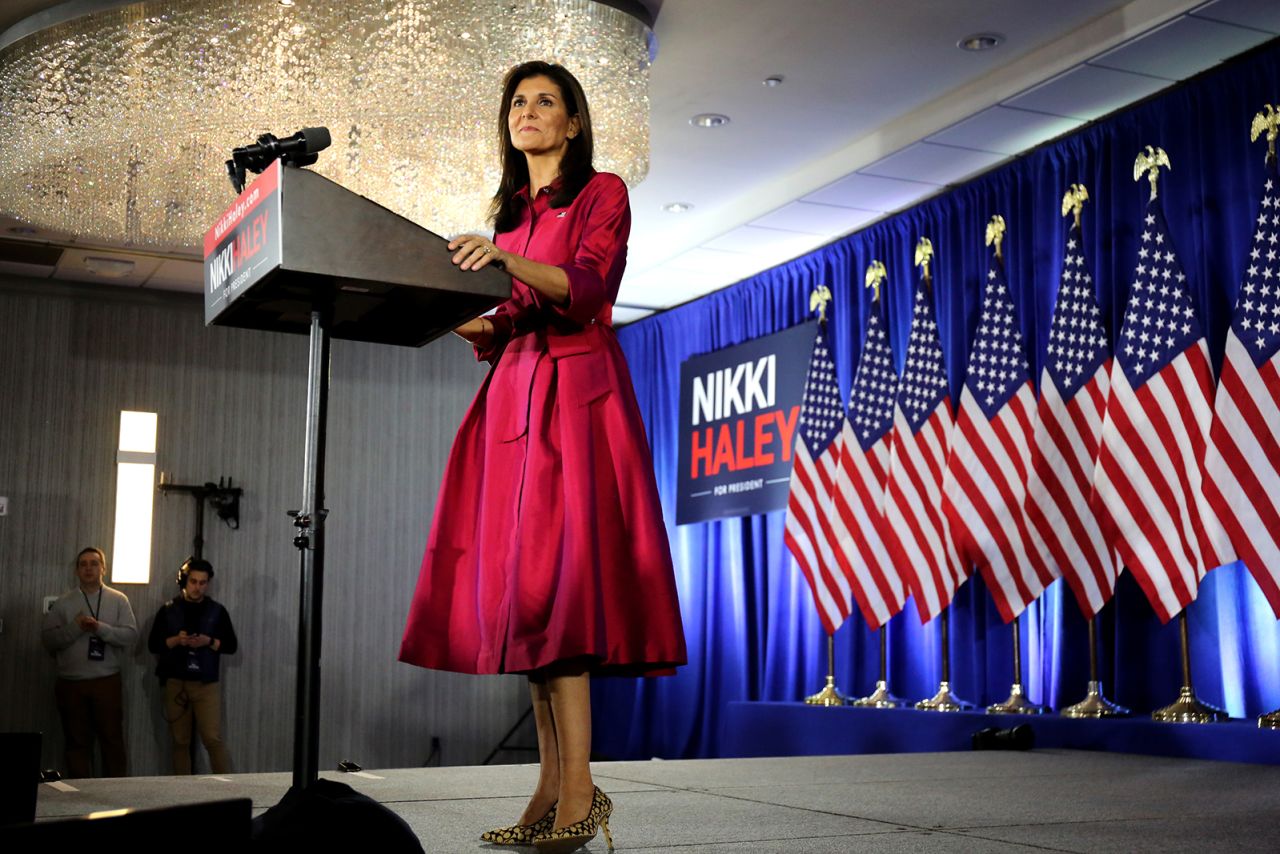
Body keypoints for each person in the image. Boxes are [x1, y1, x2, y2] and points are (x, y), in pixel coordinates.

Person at [399, 61, 686, 852]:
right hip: (516, 405)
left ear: (573, 124)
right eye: (518, 102)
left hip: (577, 404)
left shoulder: (602, 193)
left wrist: (501, 263)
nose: (528, 112)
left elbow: (587, 291)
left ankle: (581, 795)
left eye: (545, 102)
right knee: (529, 601)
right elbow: (508, 325)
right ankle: (552, 785)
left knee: (561, 600)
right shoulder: (511, 214)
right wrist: (437, 308)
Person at [41, 546, 137, 777]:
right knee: (76, 742)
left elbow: (131, 636)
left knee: (111, 740)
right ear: (76, 571)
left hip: (106, 681)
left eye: (94, 563)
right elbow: (49, 640)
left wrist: (100, 629)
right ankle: (80, 794)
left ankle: (116, 795)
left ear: (103, 568)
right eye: (83, 564)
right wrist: (76, 628)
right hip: (71, 683)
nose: (88, 568)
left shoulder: (118, 599)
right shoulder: (63, 602)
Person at [147, 557, 238, 774]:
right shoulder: (168, 610)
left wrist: (208, 641)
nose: (197, 587)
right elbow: (153, 645)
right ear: (184, 581)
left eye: (202, 583)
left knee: (212, 738)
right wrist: (177, 640)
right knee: (180, 741)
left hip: (206, 683)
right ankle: (183, 790)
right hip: (176, 681)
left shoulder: (217, 610)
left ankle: (228, 789)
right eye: (193, 581)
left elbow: (231, 646)